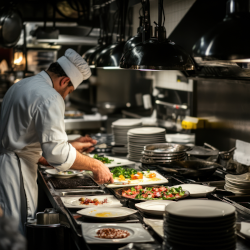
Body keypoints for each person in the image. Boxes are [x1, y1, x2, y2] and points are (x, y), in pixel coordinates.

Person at [0, 48, 114, 235]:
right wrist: (95, 164)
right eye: (68, 91)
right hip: (16, 173)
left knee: (6, 232)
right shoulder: (50, 96)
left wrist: (70, 145)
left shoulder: (21, 85)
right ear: (64, 81)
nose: (65, 96)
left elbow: (28, 136)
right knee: (15, 234)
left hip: (6, 166)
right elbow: (57, 155)